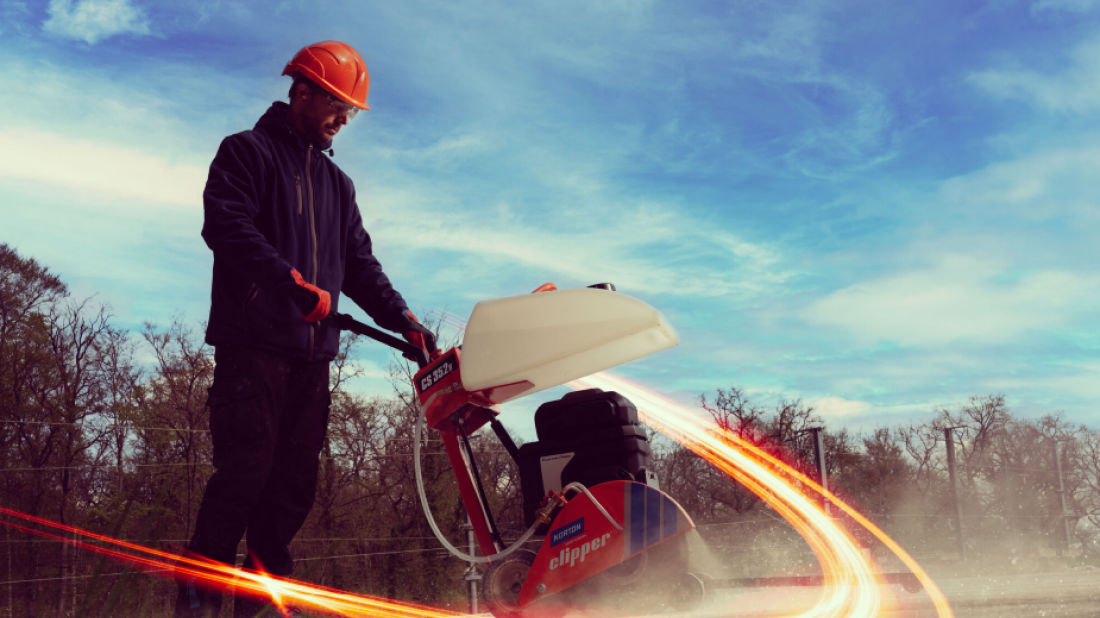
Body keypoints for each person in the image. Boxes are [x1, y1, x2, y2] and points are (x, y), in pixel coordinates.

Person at [176, 40, 437, 618]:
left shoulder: (337, 187)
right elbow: (225, 225)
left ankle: (262, 605)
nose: (344, 119)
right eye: (338, 105)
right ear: (302, 91)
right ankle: (198, 599)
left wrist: (404, 320)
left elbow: (360, 267)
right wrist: (288, 283)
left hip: (312, 357)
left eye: (351, 112)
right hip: (253, 347)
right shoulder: (246, 153)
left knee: (293, 488)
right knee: (245, 474)